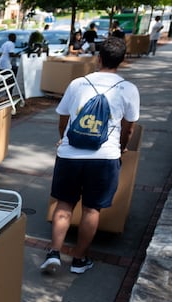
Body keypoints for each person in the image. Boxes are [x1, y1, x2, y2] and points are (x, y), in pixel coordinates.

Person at [39, 37, 140, 274]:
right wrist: (122, 146)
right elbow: (129, 128)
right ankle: (79, 259)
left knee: (64, 204)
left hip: (70, 155)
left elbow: (63, 118)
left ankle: (54, 253)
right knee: (91, 209)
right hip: (104, 157)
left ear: (98, 58)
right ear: (122, 60)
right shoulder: (128, 89)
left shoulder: (78, 84)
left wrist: (64, 137)